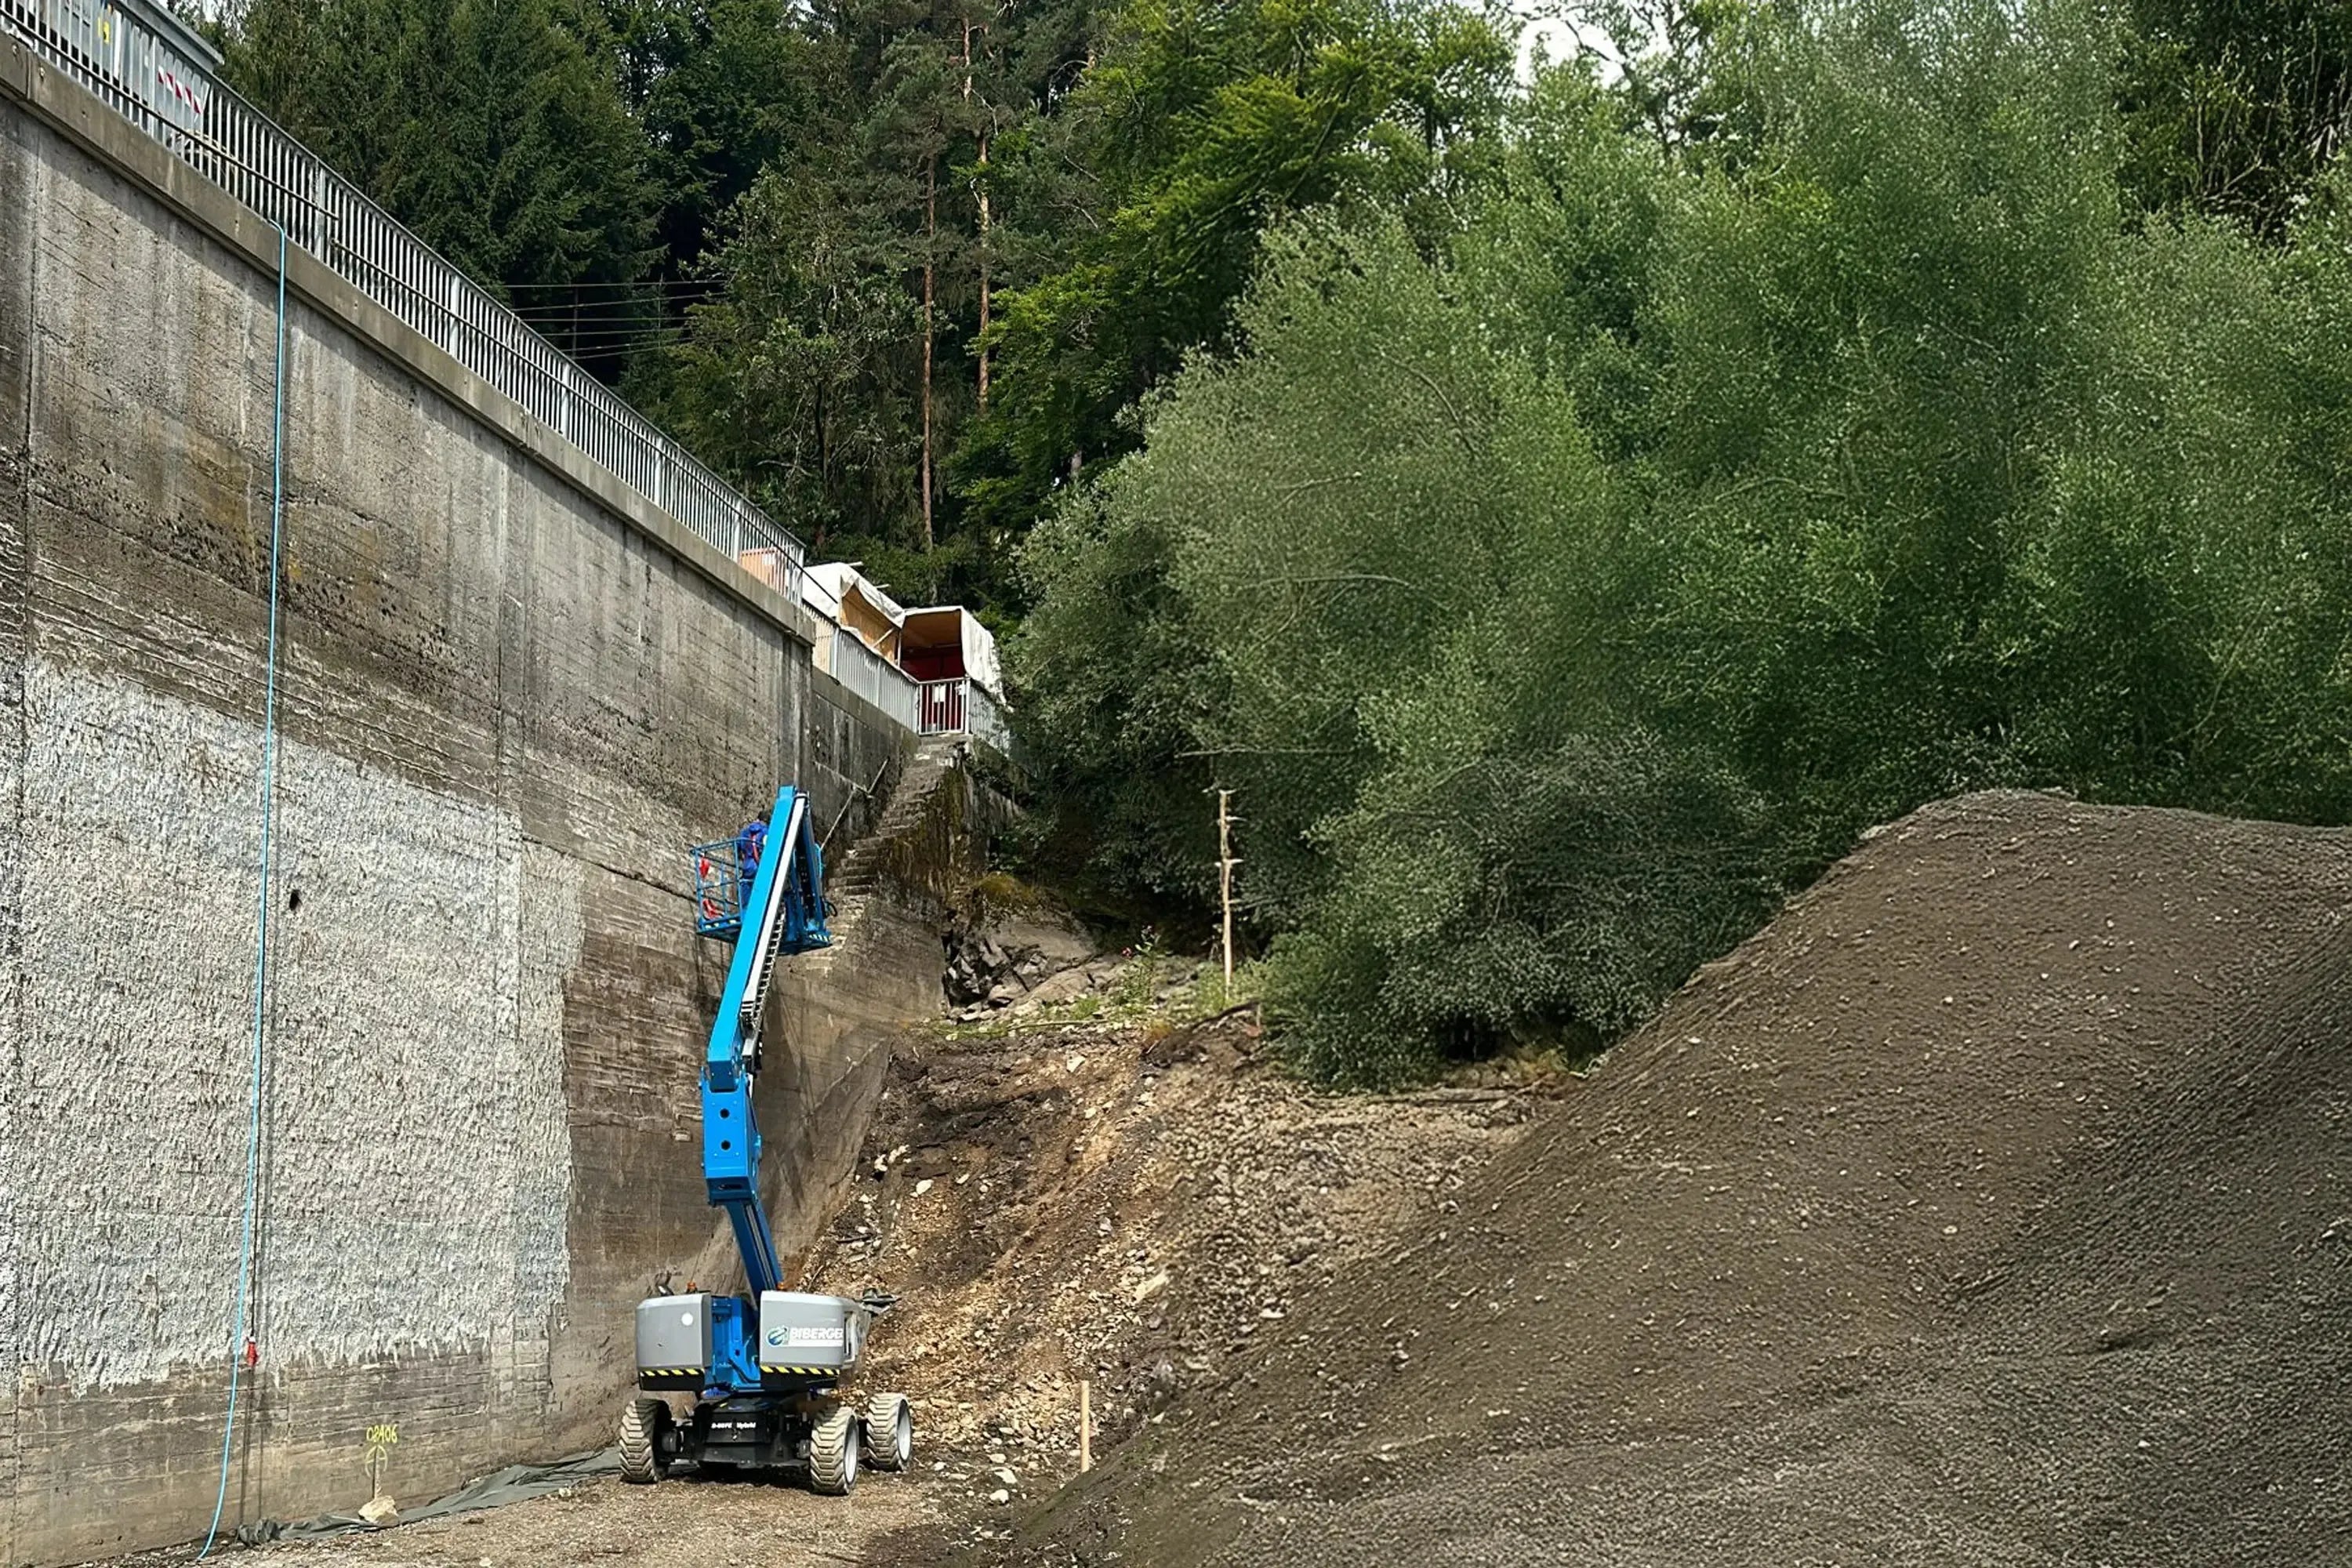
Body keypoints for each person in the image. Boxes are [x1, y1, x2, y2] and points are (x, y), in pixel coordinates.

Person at [734, 817, 768, 898]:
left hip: (747, 867)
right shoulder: (765, 831)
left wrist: (740, 857)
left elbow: (736, 845)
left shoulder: (745, 832)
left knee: (745, 893)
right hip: (758, 866)